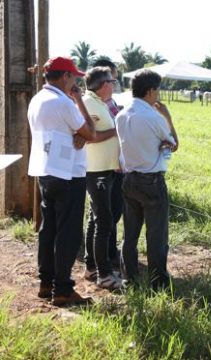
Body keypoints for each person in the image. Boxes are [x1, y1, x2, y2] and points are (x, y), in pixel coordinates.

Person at [27, 57, 96, 306]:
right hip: (68, 174)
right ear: (65, 76)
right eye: (74, 77)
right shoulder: (64, 102)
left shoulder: (37, 100)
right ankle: (63, 289)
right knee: (68, 232)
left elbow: (70, 133)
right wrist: (78, 102)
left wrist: (78, 135)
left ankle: (46, 283)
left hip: (45, 170)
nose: (76, 81)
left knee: (49, 228)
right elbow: (91, 132)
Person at [116, 69, 178, 289]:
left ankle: (128, 277)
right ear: (151, 91)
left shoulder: (121, 115)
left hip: (129, 178)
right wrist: (168, 117)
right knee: (156, 235)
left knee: (130, 234)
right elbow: (173, 143)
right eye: (157, 90)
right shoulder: (154, 116)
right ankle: (158, 281)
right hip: (152, 181)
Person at [82, 67, 123, 290]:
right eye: (111, 81)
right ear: (103, 84)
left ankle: (92, 267)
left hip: (106, 168)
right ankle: (104, 274)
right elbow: (91, 137)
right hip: (96, 169)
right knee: (103, 221)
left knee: (96, 219)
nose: (114, 84)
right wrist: (116, 131)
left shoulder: (100, 103)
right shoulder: (90, 104)